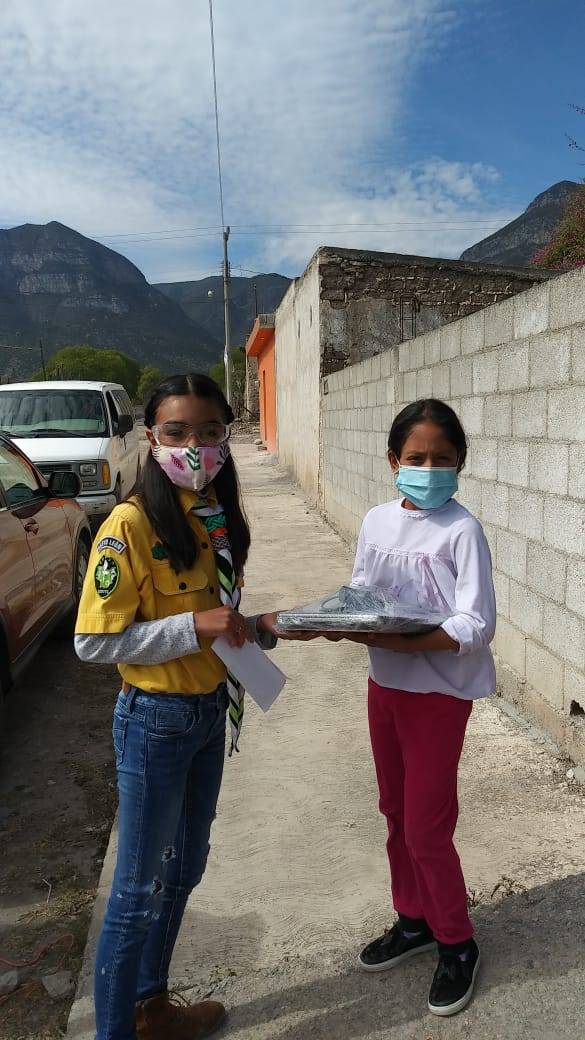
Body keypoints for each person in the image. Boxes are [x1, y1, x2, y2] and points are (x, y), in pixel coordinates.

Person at [74, 373, 277, 1040]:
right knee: (136, 895)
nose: (196, 446)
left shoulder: (217, 512)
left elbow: (221, 610)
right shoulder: (128, 524)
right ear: (150, 437)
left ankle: (151, 1007)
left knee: (185, 870)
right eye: (177, 432)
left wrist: (255, 627)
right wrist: (197, 627)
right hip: (154, 721)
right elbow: (93, 641)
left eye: (211, 432)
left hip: (204, 713)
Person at [323, 398, 496, 1017]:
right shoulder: (375, 521)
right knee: (394, 812)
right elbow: (361, 594)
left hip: (439, 697)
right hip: (386, 687)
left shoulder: (462, 530)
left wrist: (405, 639)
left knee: (427, 827)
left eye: (443, 460)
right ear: (393, 460)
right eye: (416, 458)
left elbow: (477, 623)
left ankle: (457, 940)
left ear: (460, 466)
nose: (429, 468)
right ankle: (413, 918)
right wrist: (341, 624)